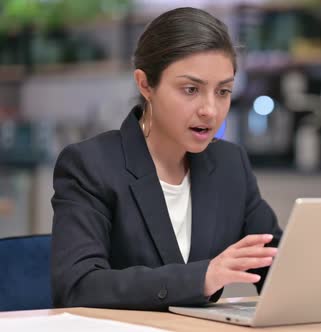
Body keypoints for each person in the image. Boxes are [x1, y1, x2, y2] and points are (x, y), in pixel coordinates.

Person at [50, 7, 282, 310]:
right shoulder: (90, 165)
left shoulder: (230, 164)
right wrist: (202, 278)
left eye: (223, 91)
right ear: (146, 85)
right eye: (191, 89)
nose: (210, 110)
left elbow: (277, 264)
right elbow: (78, 287)